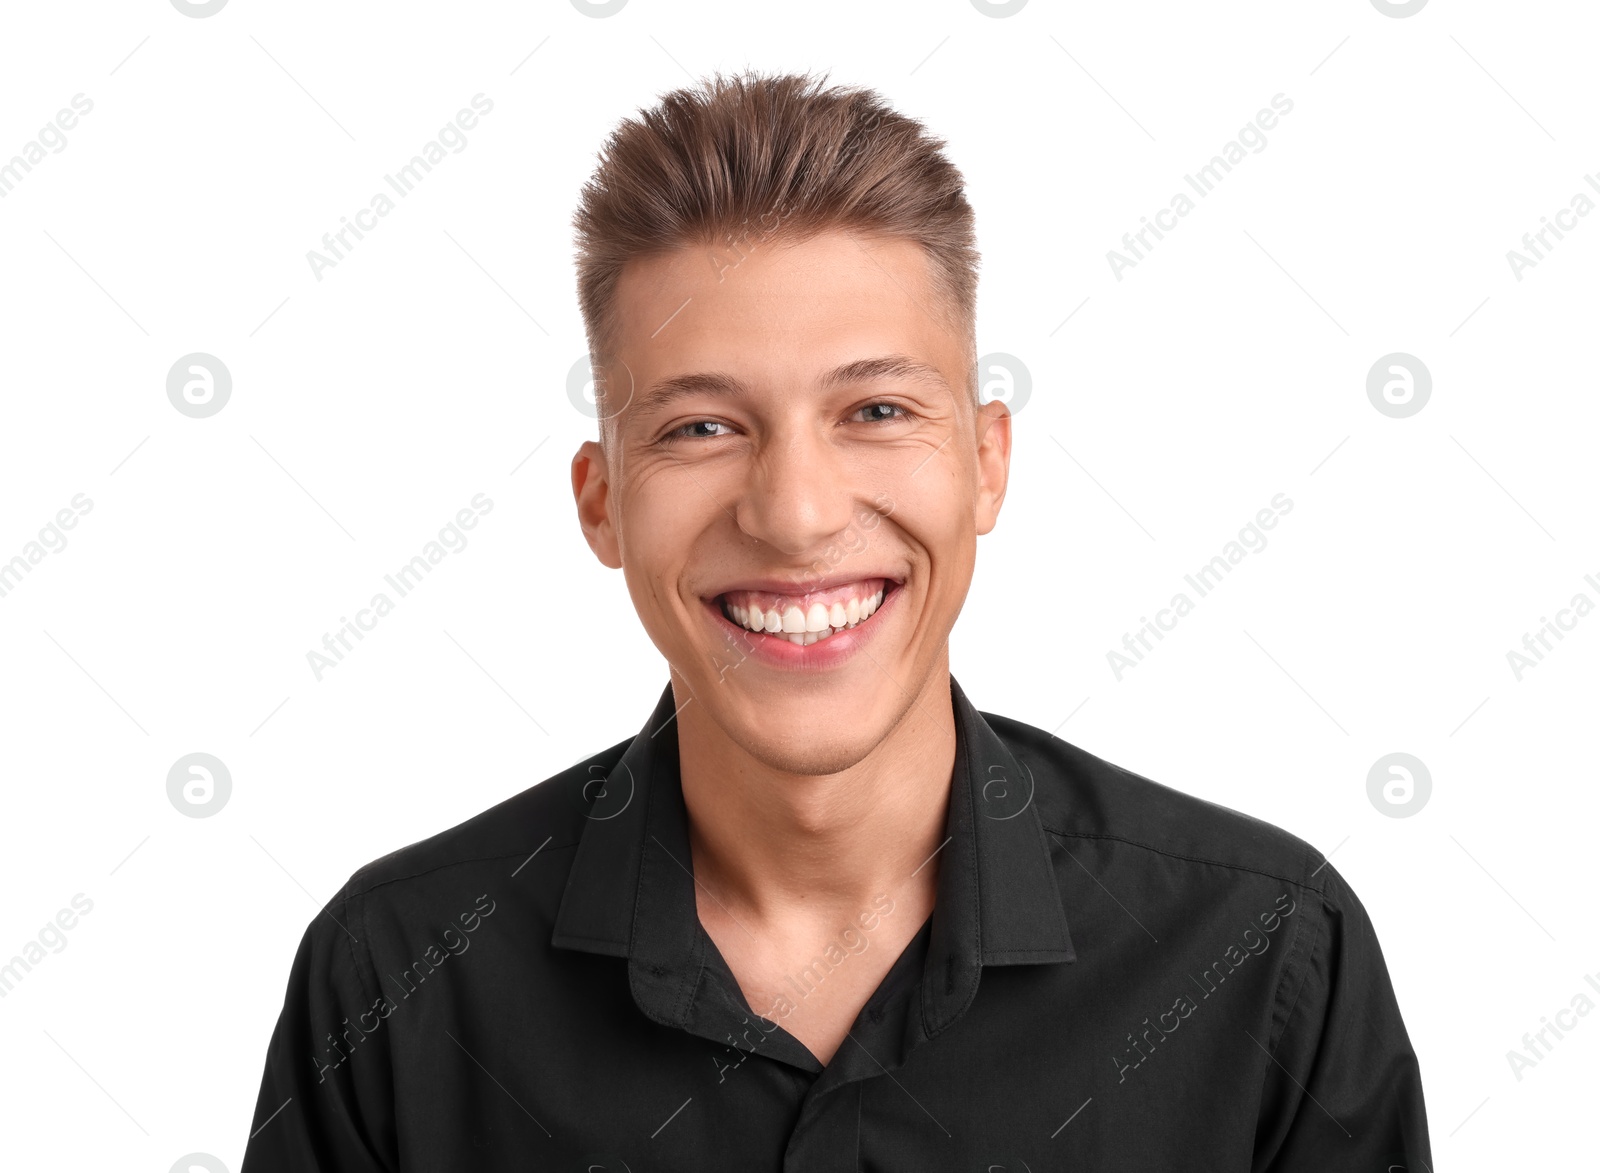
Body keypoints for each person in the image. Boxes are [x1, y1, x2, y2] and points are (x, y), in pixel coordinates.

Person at [241, 70, 1431, 1170]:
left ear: (983, 463)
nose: (797, 515)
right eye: (700, 428)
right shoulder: (394, 982)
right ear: (602, 506)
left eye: (873, 408)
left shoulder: (1267, 955)